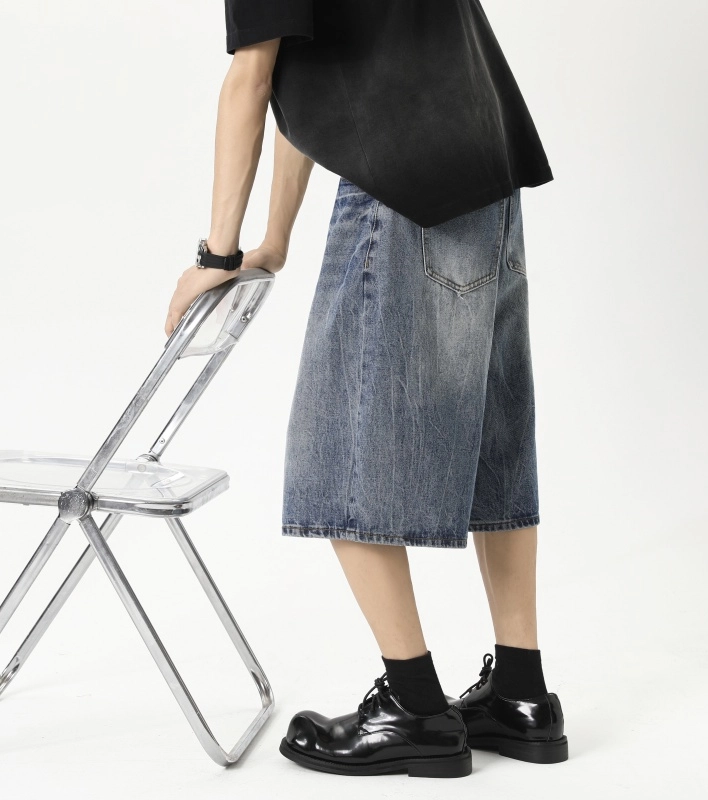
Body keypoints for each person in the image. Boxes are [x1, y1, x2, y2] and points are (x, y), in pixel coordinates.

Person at [165, 0, 568, 778]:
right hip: (488, 168)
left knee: (337, 453)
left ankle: (415, 709)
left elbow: (252, 78)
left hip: (401, 189)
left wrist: (216, 256)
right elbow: (308, 79)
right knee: (494, 442)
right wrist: (275, 239)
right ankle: (522, 696)